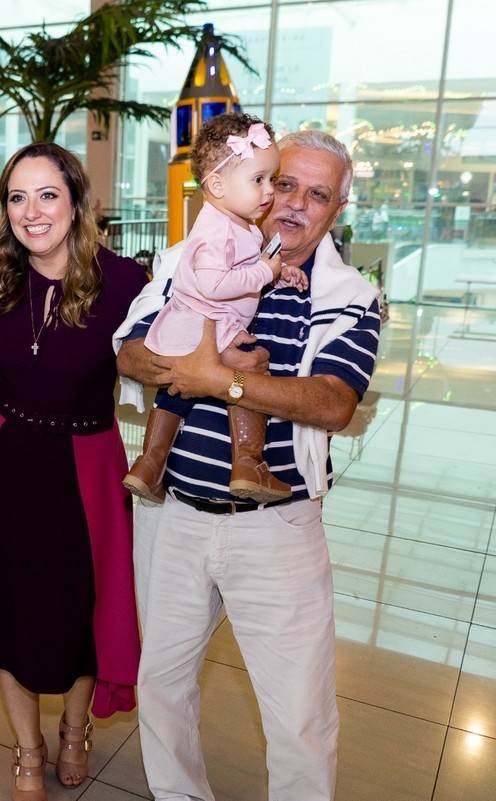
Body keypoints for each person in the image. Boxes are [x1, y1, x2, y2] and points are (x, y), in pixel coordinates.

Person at [115, 129, 382, 801]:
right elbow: (128, 353)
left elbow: (333, 401)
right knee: (163, 685)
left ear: (337, 208)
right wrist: (179, 361)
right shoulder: (188, 258)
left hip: (277, 529)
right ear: (255, 182)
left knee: (299, 719)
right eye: (282, 182)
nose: (291, 203)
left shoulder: (350, 295)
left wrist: (222, 381)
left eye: (316, 194)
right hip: (173, 519)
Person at [0, 142, 145, 801]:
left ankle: (74, 729)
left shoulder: (125, 282)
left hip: (83, 468)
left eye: (47, 194)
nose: (32, 211)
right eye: (17, 197)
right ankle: (27, 750)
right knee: (4, 612)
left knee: (80, 614)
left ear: (77, 201)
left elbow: (170, 362)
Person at [123, 113, 307, 506]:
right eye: (259, 180)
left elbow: (243, 268)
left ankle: (149, 463)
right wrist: (263, 271)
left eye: (271, 179)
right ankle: (248, 463)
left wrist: (278, 272)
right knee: (249, 370)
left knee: (174, 394)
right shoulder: (214, 231)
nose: (269, 192)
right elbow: (215, 284)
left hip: (210, 322)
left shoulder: (237, 224)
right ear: (218, 185)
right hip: (205, 323)